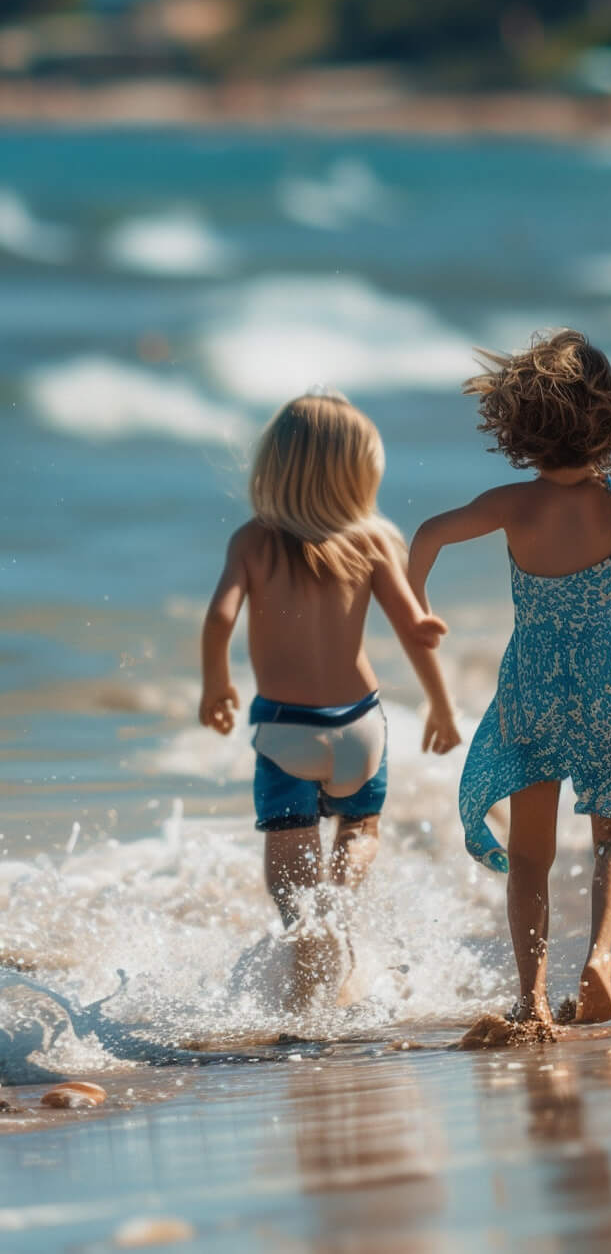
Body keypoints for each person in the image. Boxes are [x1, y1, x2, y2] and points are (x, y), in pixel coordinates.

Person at [408, 330, 611, 1028]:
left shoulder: (512, 505)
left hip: (535, 686)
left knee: (531, 857)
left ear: (521, 427)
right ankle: (600, 959)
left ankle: (530, 997)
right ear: (608, 418)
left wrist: (417, 612)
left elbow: (429, 535)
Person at [198, 392, 462, 997]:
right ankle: (339, 904)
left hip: (287, 727)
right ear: (359, 475)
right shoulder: (370, 543)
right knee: (360, 830)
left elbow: (219, 617)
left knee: (289, 853)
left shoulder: (252, 542)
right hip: (360, 726)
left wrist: (217, 683)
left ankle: (304, 938)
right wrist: (441, 706)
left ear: (275, 465)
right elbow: (415, 631)